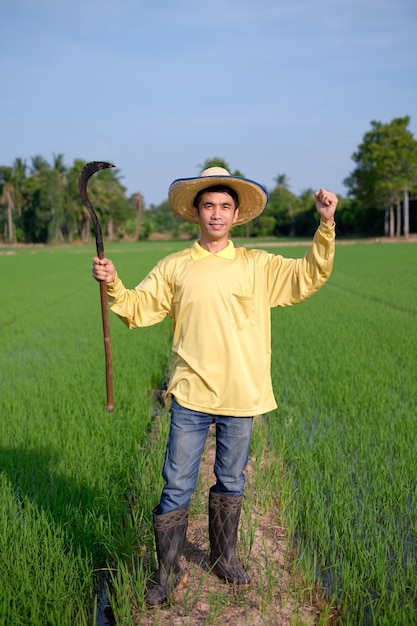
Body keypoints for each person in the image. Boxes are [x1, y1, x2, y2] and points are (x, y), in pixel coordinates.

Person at [92, 166, 338, 608]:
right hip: (190, 394)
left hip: (242, 394)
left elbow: (308, 277)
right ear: (196, 213)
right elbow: (138, 307)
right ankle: (165, 573)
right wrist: (113, 284)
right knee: (176, 483)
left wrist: (325, 225)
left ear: (236, 213)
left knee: (231, 479)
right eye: (209, 206)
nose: (217, 214)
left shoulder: (258, 266)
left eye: (225, 206)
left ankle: (225, 558)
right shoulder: (175, 267)